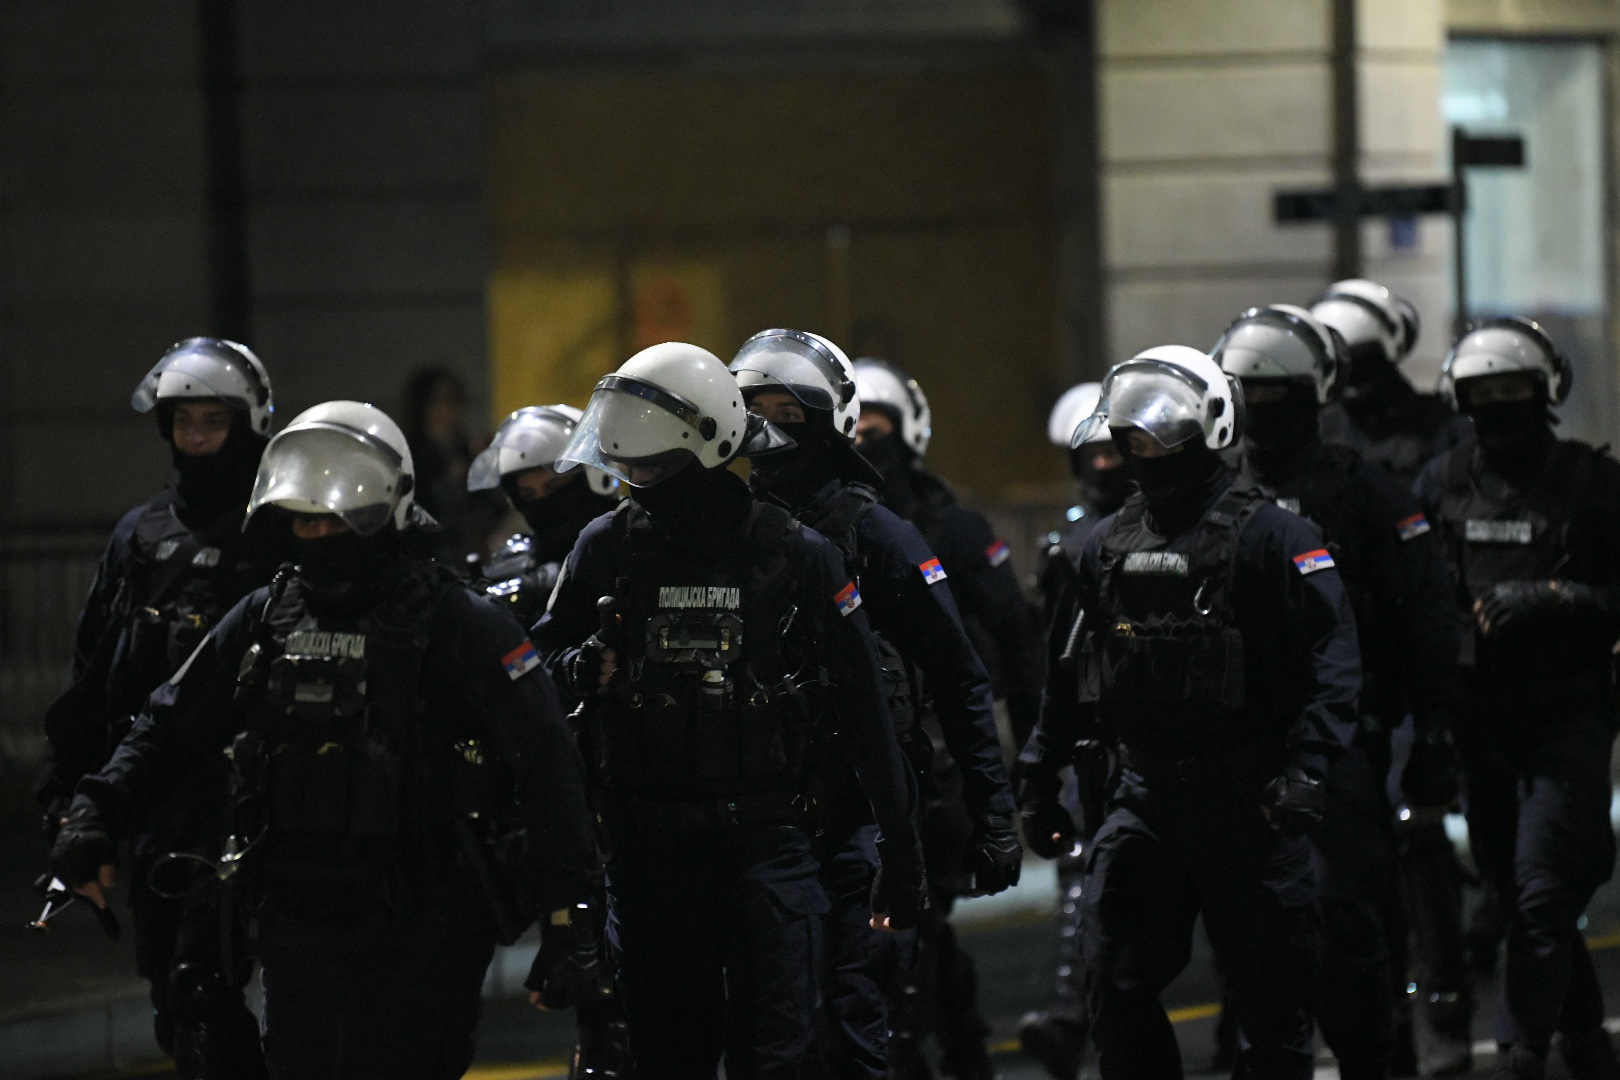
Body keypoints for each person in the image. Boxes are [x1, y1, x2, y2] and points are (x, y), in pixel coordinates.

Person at [48, 401, 604, 1080]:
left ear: (382, 514)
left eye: (334, 521)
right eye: (304, 521)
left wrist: (569, 919)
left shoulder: (458, 623)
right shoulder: (267, 617)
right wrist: (95, 812)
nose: (317, 536)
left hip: (423, 920)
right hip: (296, 914)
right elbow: (170, 724)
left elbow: (547, 765)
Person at [532, 342, 928, 1080]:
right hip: (649, 853)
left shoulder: (800, 555)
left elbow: (867, 711)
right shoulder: (606, 547)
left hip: (767, 848)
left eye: (651, 466)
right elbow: (537, 680)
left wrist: (900, 857)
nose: (637, 483)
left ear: (707, 445)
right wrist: (582, 666)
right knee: (665, 1056)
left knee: (774, 1056)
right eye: (630, 467)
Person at [1018, 345, 1362, 1080]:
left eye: (1154, 441)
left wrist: (1308, 769)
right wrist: (1039, 778)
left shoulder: (1276, 538)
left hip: (1251, 804)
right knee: (1115, 982)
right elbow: (1067, 675)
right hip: (1145, 801)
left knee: (1272, 1011)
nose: (1140, 455)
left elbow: (1333, 664)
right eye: (1129, 440)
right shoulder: (1101, 546)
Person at [730, 328, 1020, 1080]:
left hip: (861, 819)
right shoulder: (719, 537)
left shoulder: (879, 536)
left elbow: (958, 678)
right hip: (751, 823)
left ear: (831, 418)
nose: (766, 429)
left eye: (785, 411)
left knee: (859, 1014)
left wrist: (993, 813)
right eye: (751, 409)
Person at [1215, 305, 1465, 1078]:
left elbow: (1426, 617)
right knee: (1247, 920)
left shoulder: (1368, 493)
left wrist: (1434, 735)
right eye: (1246, 394)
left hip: (1346, 734)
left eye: (1275, 394)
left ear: (1314, 392)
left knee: (1348, 908)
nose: (1260, 411)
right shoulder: (1212, 492)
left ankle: (1381, 1049)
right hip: (1236, 739)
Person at [36, 337, 279, 1078]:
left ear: (247, 426)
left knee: (211, 985)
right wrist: (75, 800)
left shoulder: (281, 527)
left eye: (215, 421)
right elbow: (94, 674)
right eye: (185, 423)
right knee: (177, 1003)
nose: (199, 439)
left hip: (260, 794)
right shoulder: (140, 538)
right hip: (157, 792)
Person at [1414, 319, 1620, 1080]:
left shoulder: (1594, 484)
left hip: (1568, 714)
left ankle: (1520, 1050)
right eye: (1482, 395)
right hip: (1479, 720)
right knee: (1518, 889)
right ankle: (1586, 1033)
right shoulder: (1441, 484)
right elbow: (1417, 593)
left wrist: (1556, 596)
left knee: (1540, 888)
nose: (1498, 408)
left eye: (1513, 392)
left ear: (1546, 393)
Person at [1017, 380, 1132, 1080]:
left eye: (1113, 452)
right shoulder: (1072, 543)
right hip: (1097, 735)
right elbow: (1054, 660)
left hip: (1176, 737)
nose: (1100, 466)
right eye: (1086, 454)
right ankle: (1077, 1021)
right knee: (1084, 874)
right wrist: (1043, 756)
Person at [851, 358, 1045, 750]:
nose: (860, 446)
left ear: (904, 432)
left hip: (951, 735)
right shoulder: (822, 531)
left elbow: (1017, 639)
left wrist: (1032, 759)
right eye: (850, 434)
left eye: (872, 432)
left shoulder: (956, 528)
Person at [467, 405, 622, 627]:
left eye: (555, 486)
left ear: (595, 478)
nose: (544, 503)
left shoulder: (631, 548)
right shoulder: (520, 562)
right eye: (528, 494)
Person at [1312, 279, 1472, 483]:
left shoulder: (1441, 425)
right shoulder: (1319, 427)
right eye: (1344, 363)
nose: (1354, 375)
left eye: (1363, 360)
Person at [400, 365, 506, 561]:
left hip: (473, 558)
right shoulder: (411, 460)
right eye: (437, 402)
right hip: (432, 561)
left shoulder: (467, 452)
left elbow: (495, 509)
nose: (446, 410)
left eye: (453, 400)